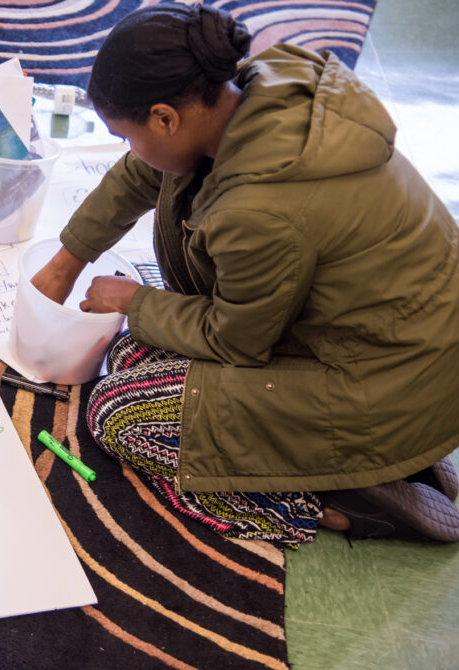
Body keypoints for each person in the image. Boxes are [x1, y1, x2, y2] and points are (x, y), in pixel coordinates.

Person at [32, 5, 459, 545]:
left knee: (118, 415)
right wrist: (67, 259)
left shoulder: (259, 210)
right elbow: (144, 170)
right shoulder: (257, 84)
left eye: (126, 135)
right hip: (398, 354)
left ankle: (338, 497)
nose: (128, 149)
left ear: (165, 117)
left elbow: (235, 339)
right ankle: (387, 455)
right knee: (127, 353)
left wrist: (134, 301)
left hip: (378, 387)